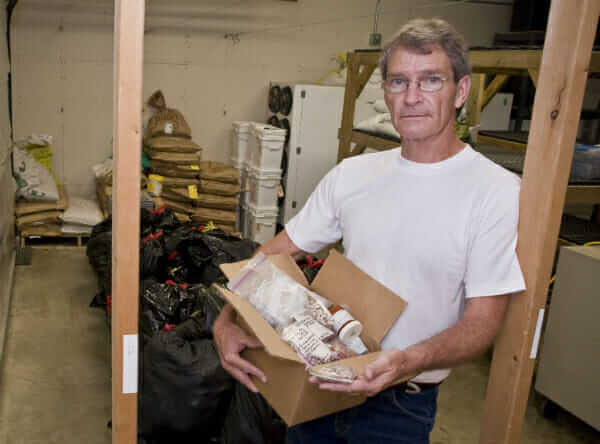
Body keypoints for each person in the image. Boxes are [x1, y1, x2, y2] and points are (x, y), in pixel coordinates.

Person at [213, 18, 525, 444]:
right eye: (398, 82)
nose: (412, 97)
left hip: (400, 409)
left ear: (462, 92)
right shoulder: (353, 175)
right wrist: (228, 318)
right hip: (319, 384)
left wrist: (405, 361)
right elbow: (279, 250)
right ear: (386, 93)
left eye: (430, 80)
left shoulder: (496, 192)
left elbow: (482, 324)